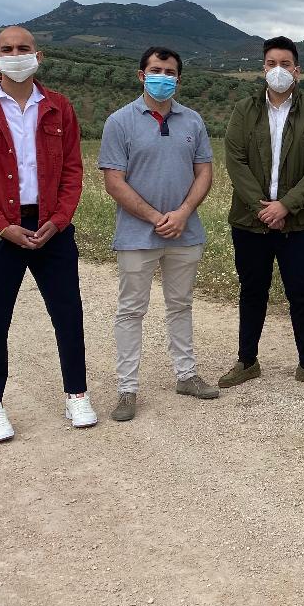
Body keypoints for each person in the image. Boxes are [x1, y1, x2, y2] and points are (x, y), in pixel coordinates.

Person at [0, 26, 96, 442]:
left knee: (68, 314)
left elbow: (72, 170)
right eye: (7, 49)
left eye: (23, 48)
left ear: (39, 56)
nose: (15, 54)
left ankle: (77, 394)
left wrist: (61, 218)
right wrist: (0, 226)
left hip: (52, 226)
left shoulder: (59, 108)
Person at [98, 45, 217, 422]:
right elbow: (113, 181)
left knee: (180, 305)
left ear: (179, 78)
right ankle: (127, 390)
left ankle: (186, 375)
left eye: (169, 72)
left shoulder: (193, 121)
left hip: (185, 232)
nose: (162, 77)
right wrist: (155, 217)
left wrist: (182, 214)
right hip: (137, 235)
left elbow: (205, 173)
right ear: (140, 75)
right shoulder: (119, 122)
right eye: (155, 70)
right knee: (132, 310)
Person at [216, 36, 304, 390]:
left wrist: (286, 205)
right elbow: (235, 161)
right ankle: (246, 360)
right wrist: (263, 207)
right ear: (262, 68)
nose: (278, 70)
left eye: (285, 64)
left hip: (300, 221)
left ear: (297, 71)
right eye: (271, 63)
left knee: (302, 291)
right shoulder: (244, 110)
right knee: (252, 290)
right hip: (250, 221)